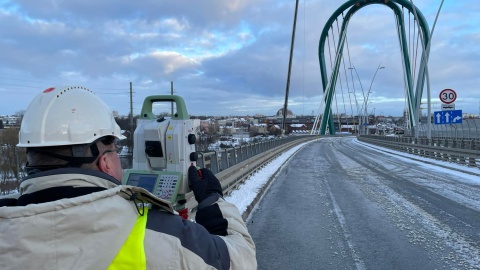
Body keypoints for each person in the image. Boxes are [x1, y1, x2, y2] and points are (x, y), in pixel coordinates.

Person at [0, 86, 256, 269]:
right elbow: (240, 260)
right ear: (105, 161)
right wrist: (212, 203)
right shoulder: (155, 230)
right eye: (115, 149)